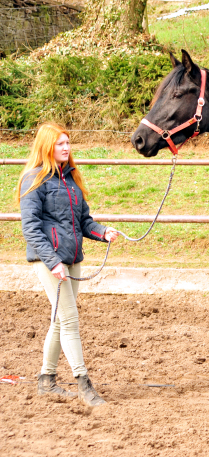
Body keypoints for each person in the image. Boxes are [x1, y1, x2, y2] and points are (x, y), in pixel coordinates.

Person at [16, 122, 119, 406]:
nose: (66, 147)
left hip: (72, 259)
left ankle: (46, 380)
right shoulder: (34, 180)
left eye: (67, 142)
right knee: (70, 321)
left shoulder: (71, 180)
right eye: (60, 143)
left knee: (60, 321)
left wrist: (102, 232)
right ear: (47, 146)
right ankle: (84, 384)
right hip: (50, 261)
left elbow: (84, 220)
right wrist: (52, 262)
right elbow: (31, 228)